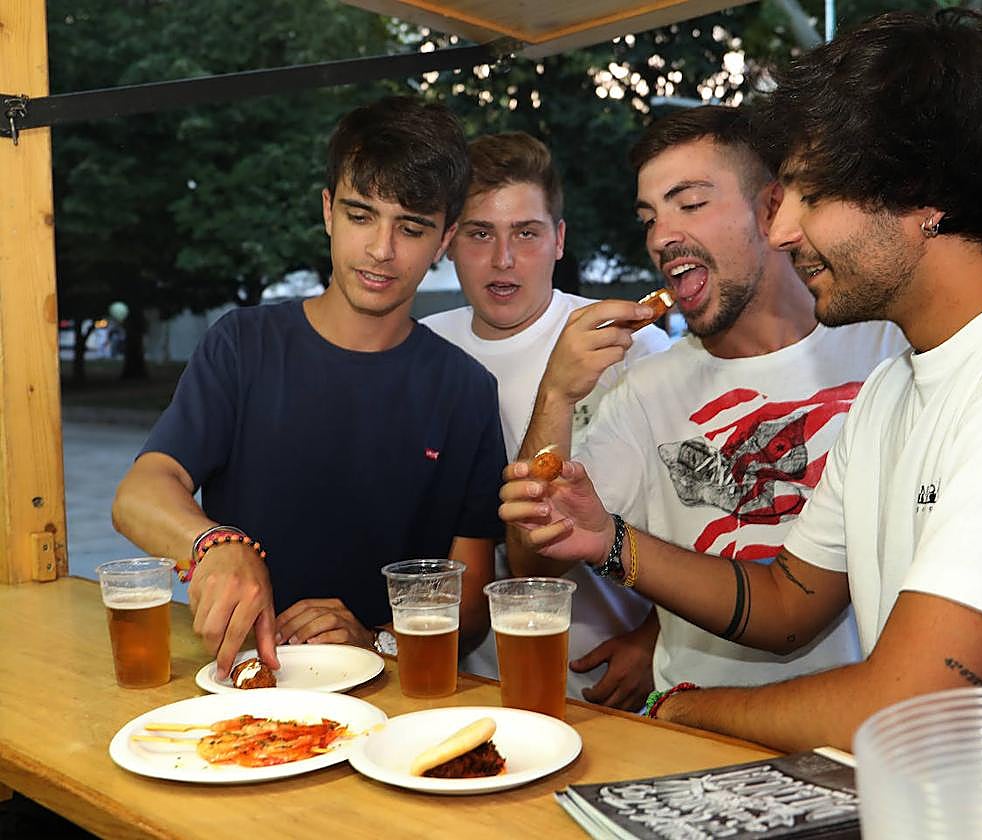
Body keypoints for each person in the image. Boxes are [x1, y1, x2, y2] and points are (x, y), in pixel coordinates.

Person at [501, 9, 982, 752]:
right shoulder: (897, 385)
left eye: (810, 193)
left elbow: (916, 712)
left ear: (921, 196)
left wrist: (680, 712)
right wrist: (608, 540)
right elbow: (787, 603)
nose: (781, 232)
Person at [505, 106, 907, 699]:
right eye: (649, 218)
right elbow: (535, 565)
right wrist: (557, 393)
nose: (663, 237)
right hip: (696, 741)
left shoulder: (888, 350)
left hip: (866, 737)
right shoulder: (640, 391)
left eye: (690, 204)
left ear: (773, 210)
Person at [112, 96, 507, 679]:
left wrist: (373, 641)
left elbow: (470, 610)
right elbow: (140, 493)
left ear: (443, 240)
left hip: (390, 703)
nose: (381, 249)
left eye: (412, 227)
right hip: (244, 685)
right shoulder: (242, 345)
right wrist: (216, 544)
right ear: (327, 211)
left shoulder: (466, 389)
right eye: (360, 215)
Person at [422, 132, 670, 708]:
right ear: (450, 242)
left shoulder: (631, 346)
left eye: (526, 233)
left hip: (611, 686)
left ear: (559, 240)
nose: (503, 259)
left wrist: (654, 640)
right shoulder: (424, 351)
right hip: (469, 680)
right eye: (481, 233)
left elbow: (713, 520)